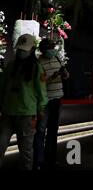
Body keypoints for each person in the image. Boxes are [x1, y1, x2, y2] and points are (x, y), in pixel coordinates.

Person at [0, 34, 48, 170]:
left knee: (26, 152)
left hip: (26, 115)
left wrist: (40, 110)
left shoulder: (36, 68)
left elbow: (42, 93)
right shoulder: (10, 66)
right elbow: (2, 86)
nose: (21, 52)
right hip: (8, 113)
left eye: (24, 50)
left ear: (32, 50)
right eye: (19, 49)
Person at [34, 38, 69, 169]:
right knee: (41, 130)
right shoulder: (38, 63)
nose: (52, 51)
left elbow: (66, 76)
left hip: (58, 99)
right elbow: (40, 83)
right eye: (49, 49)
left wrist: (64, 74)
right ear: (43, 50)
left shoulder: (57, 59)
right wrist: (53, 76)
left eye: (52, 48)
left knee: (53, 130)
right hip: (45, 101)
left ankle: (51, 158)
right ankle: (39, 160)